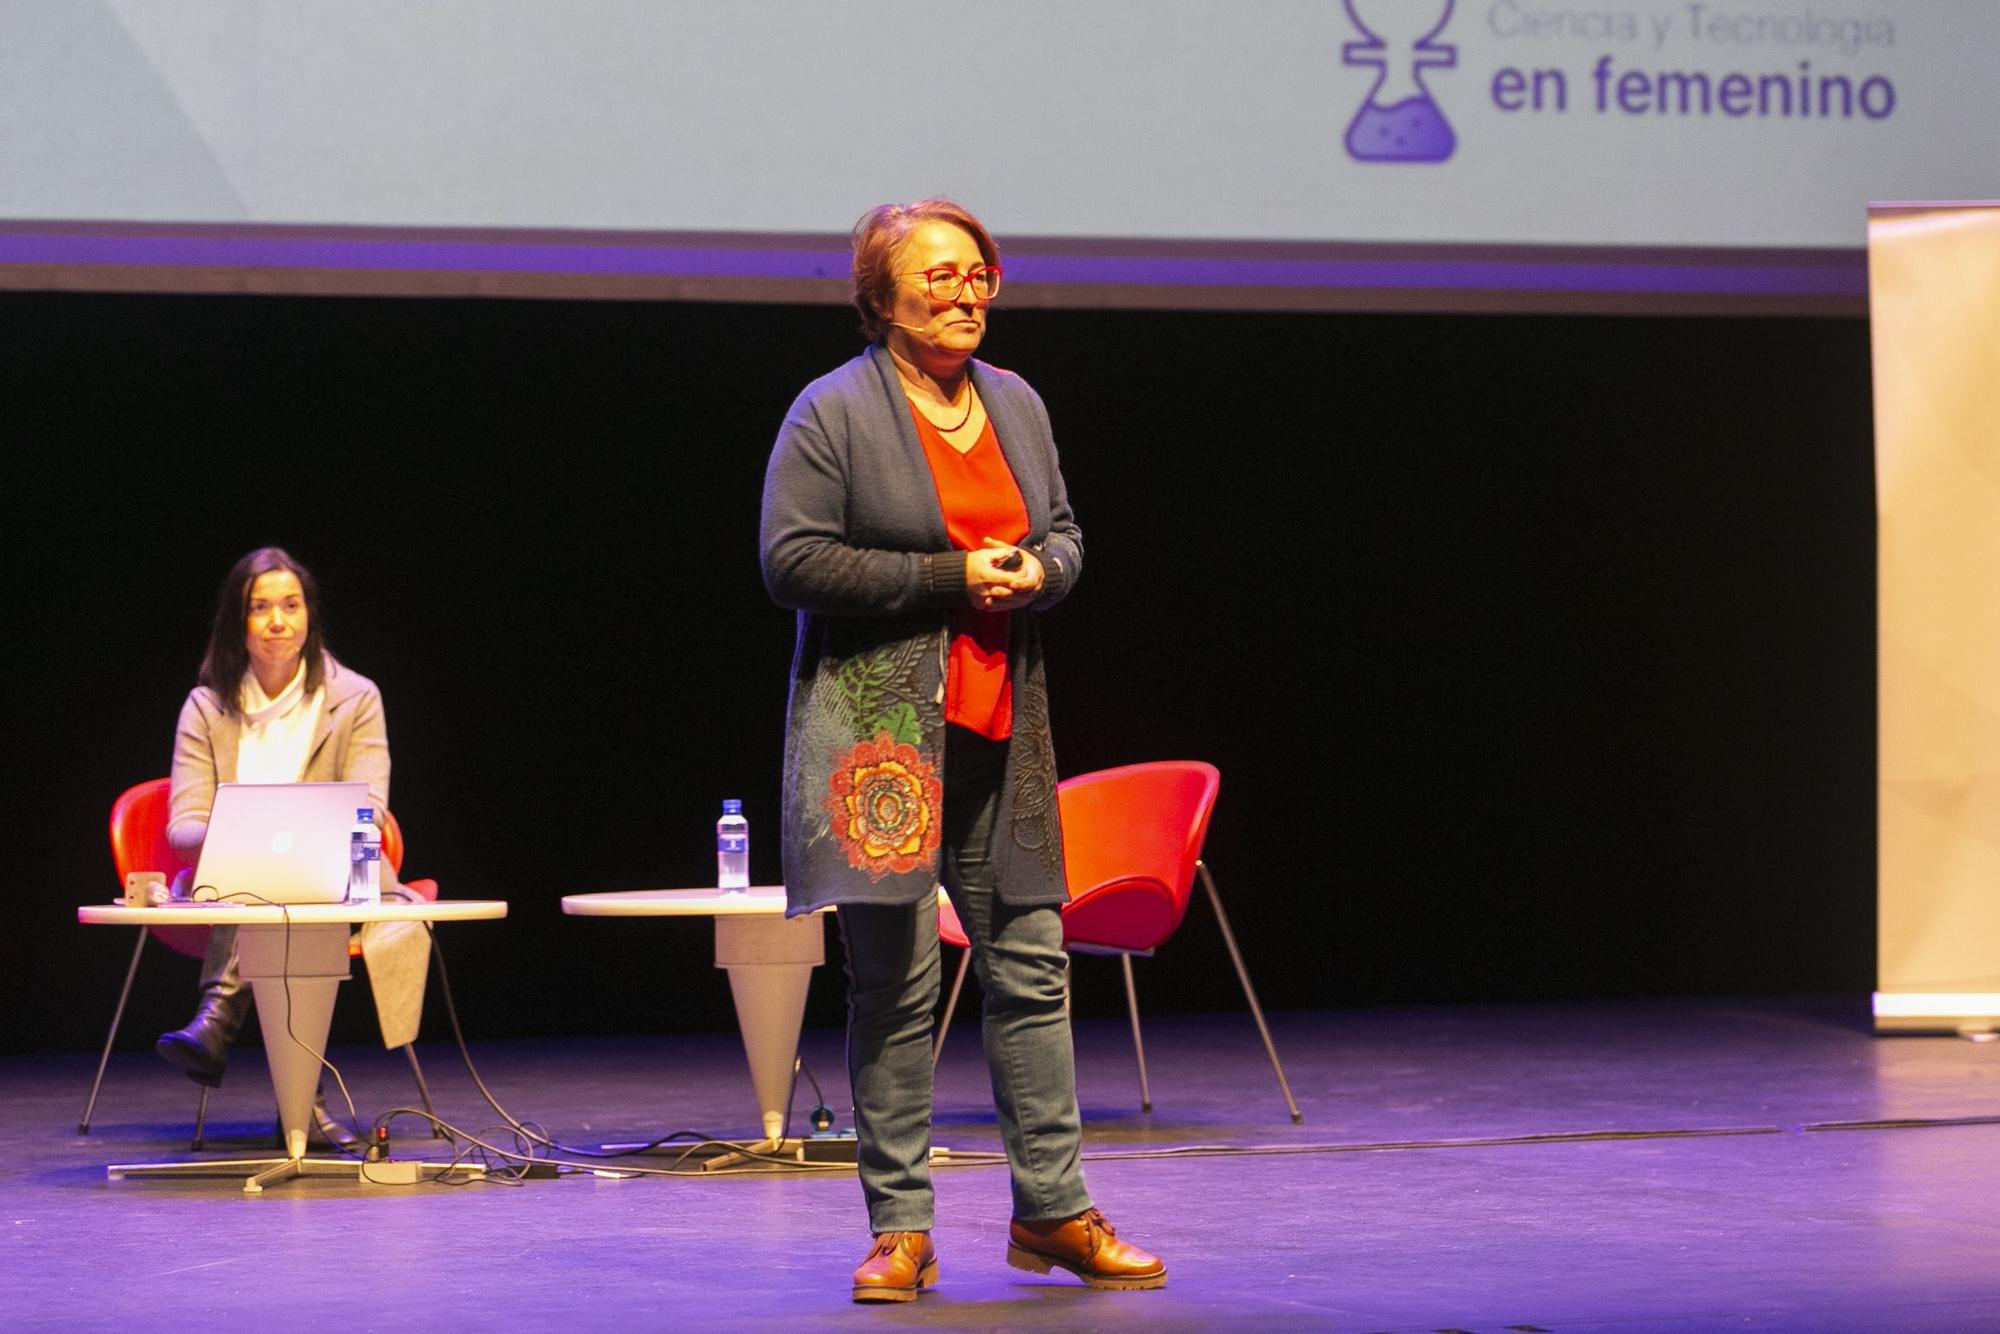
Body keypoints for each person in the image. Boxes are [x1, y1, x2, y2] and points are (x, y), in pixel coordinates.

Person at [760, 198, 1165, 1302]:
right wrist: (950, 578)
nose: (963, 291)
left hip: (999, 723)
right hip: (880, 741)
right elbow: (791, 559)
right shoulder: (831, 411)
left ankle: (1053, 1211)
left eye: (976, 272)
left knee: (1031, 966)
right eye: (937, 276)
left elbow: (1065, 531)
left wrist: (1042, 572)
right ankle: (901, 1227)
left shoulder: (1015, 404)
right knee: (894, 983)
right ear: (881, 296)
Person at [154, 547, 390, 1121]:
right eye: (261, 608)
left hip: (340, 872)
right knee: (258, 885)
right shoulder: (207, 706)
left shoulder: (355, 698)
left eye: (291, 605)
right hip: (228, 883)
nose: (278, 621)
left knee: (278, 889)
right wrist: (248, 839)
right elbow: (184, 826)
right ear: (240, 622)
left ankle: (214, 1023)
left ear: (310, 616)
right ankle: (304, 1106)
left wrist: (299, 838)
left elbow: (371, 813)